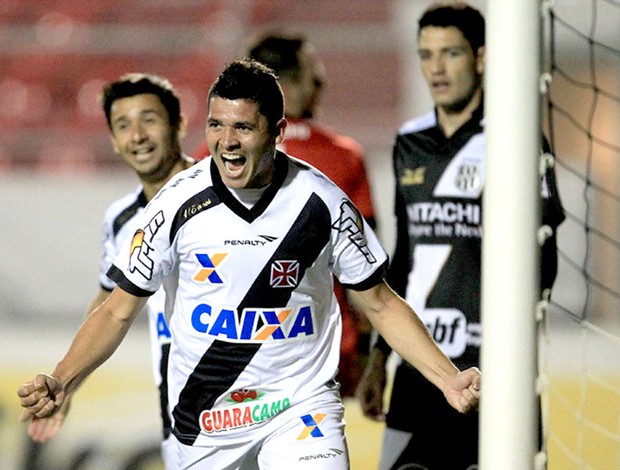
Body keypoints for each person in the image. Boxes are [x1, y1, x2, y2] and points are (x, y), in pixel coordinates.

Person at [18, 58, 481, 470]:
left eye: (243, 127)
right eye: (217, 126)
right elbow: (118, 309)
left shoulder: (322, 203)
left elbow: (379, 303)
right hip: (205, 414)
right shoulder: (175, 204)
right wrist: (63, 377)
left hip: (299, 406)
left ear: (278, 133)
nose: (227, 142)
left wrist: (448, 378)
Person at [356, 3, 565, 470]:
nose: (436, 68)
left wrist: (511, 346)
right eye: (426, 55)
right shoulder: (409, 140)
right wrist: (379, 357)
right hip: (420, 367)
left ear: (482, 57)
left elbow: (544, 257)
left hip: (492, 371)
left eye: (450, 52)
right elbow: (403, 258)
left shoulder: (517, 138)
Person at [23, 73, 195, 467]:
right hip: (181, 399)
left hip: (257, 391)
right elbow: (107, 304)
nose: (137, 135)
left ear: (179, 125)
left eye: (149, 119)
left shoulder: (225, 194)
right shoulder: (121, 220)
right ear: (114, 142)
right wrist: (66, 386)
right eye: (123, 125)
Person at [246, 31, 377, 397]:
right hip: (323, 345)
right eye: (311, 76)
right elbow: (364, 270)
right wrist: (369, 355)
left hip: (237, 343)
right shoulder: (343, 156)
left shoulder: (213, 155)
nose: (321, 83)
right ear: (282, 85)